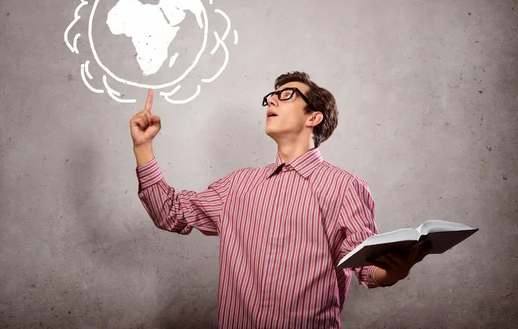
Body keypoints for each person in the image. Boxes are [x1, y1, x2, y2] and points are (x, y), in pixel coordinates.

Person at [129, 71, 431, 328]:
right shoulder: (237, 186)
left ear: (314, 117)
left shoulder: (344, 187)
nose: (271, 100)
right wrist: (143, 147)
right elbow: (170, 212)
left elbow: (365, 265)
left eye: (286, 95)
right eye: (270, 97)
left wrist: (393, 271)